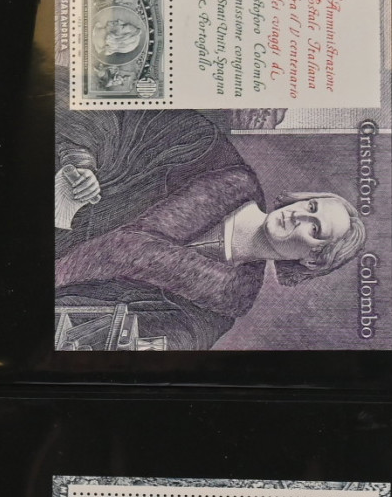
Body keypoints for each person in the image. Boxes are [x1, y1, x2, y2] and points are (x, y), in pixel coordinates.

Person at [54, 108, 366, 349]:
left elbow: (164, 340)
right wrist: (80, 162)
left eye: (315, 229)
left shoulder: (217, 310)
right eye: (311, 207)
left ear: (312, 260)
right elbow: (118, 115)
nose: (299, 216)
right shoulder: (209, 154)